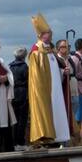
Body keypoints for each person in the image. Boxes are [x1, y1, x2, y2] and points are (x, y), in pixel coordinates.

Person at [27, 13, 71, 147]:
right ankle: (46, 136)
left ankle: (59, 136)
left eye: (50, 32)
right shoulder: (36, 52)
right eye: (48, 32)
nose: (51, 34)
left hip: (55, 88)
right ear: (41, 35)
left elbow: (53, 71)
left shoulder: (50, 51)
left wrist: (63, 72)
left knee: (58, 109)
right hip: (45, 89)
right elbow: (36, 76)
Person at [54, 39, 76, 143]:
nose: (67, 49)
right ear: (58, 48)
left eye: (67, 47)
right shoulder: (56, 59)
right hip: (60, 91)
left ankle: (67, 140)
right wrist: (63, 72)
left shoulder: (69, 59)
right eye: (64, 47)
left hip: (69, 90)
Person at [7, 47, 29, 149]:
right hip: (23, 94)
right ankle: (20, 142)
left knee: (14, 120)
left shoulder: (10, 67)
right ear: (24, 56)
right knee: (22, 119)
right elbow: (29, 81)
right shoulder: (25, 67)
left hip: (12, 94)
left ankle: (13, 141)